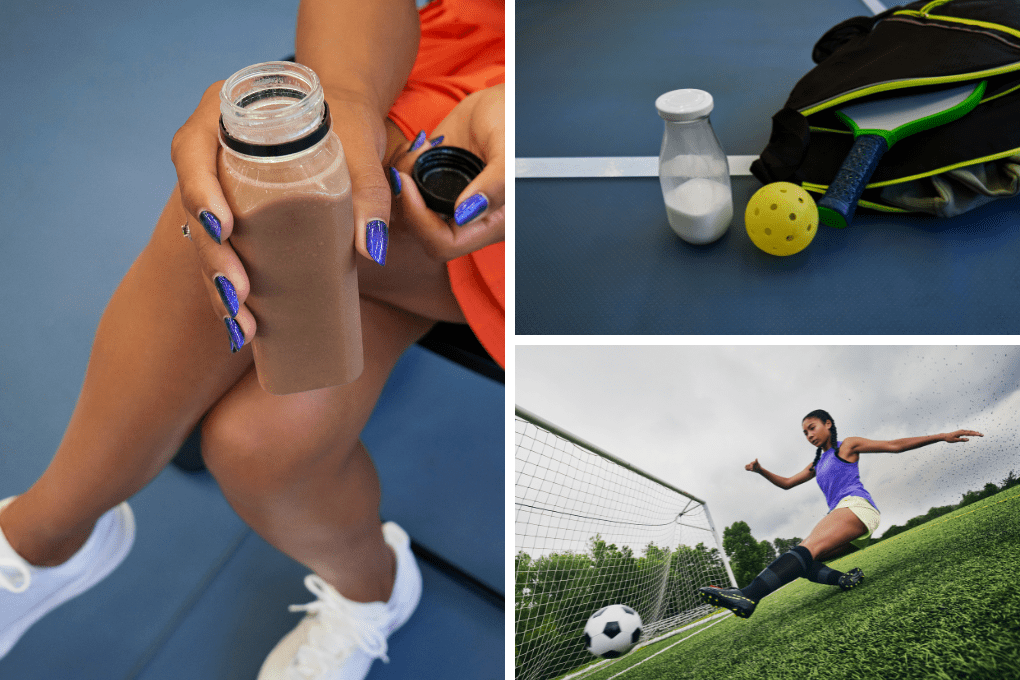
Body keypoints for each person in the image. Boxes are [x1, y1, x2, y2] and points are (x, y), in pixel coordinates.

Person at [0, 0, 503, 677]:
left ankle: (38, 539)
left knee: (241, 205)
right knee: (263, 445)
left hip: (521, 189)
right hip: (424, 73)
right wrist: (345, 98)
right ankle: (373, 591)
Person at [698, 409, 982, 619]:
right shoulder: (817, 463)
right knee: (804, 564)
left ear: (828, 424)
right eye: (805, 432)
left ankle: (748, 595)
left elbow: (894, 446)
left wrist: (942, 436)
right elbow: (786, 484)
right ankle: (845, 580)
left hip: (857, 507)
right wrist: (761, 471)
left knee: (804, 549)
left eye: (812, 428)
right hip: (849, 518)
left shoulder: (847, 446)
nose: (809, 435)